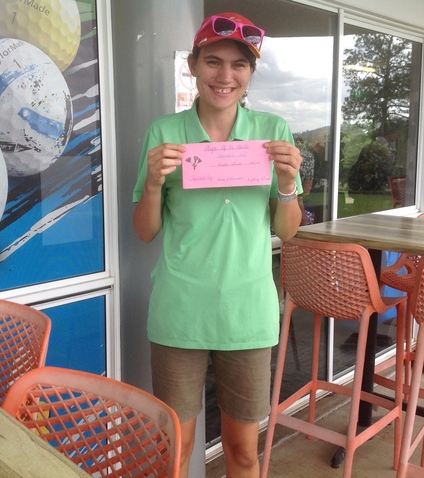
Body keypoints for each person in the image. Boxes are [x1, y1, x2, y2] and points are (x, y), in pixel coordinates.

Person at [132, 12, 302, 478]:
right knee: (176, 448)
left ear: (250, 73)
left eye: (239, 65)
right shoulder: (164, 133)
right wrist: (153, 184)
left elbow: (288, 231)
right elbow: (144, 231)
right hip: (180, 312)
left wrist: (288, 184)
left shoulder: (273, 131)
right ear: (192, 65)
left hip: (247, 314)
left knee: (243, 451)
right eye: (213, 61)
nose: (225, 76)